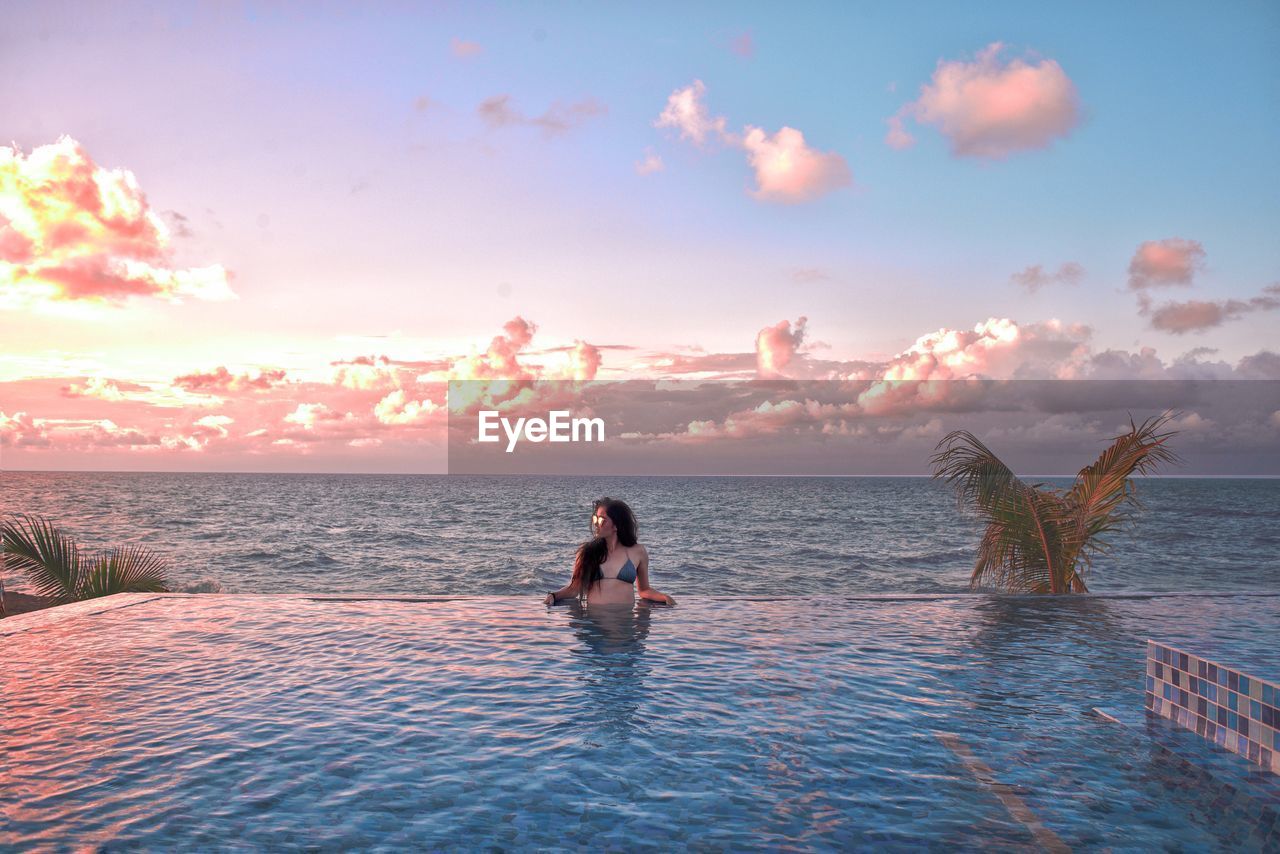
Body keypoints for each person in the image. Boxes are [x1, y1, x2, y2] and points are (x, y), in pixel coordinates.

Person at [544, 497, 676, 607]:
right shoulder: (587, 552)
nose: (596, 524)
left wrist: (664, 597)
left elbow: (644, 590)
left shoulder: (638, 551)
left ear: (616, 525)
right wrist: (554, 596)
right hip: (594, 625)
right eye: (595, 519)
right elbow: (574, 589)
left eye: (602, 520)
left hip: (625, 625)